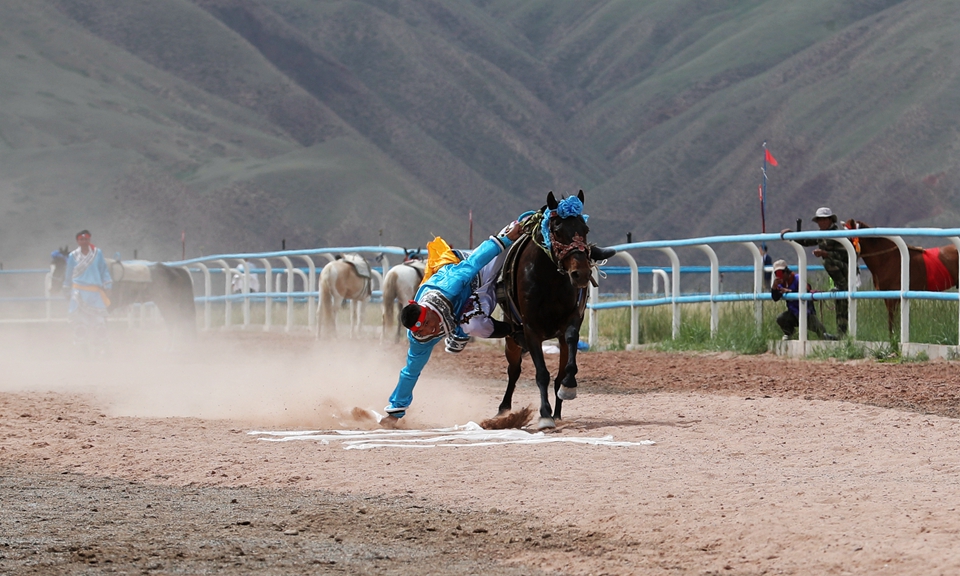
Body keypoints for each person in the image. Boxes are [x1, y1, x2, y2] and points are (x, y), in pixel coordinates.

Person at [382, 221, 525, 426]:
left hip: (474, 275)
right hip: (460, 309)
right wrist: (395, 413)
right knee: (464, 335)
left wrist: (506, 239)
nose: (430, 330)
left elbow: (474, 262)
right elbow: (410, 372)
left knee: (512, 235)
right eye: (423, 330)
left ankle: (516, 227)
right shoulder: (420, 340)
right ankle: (512, 330)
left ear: (428, 310)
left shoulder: (450, 286)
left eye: (428, 323)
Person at [780, 207, 849, 336]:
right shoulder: (821, 235)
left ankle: (842, 286)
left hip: (846, 270)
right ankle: (841, 335)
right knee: (840, 303)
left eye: (824, 220)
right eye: (819, 220)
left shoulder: (838, 235)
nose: (821, 223)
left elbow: (847, 255)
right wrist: (792, 234)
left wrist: (826, 254)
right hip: (837, 273)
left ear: (830, 220)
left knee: (828, 264)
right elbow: (806, 241)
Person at [63, 230, 113, 353]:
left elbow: (103, 270)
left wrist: (108, 285)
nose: (84, 242)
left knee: (99, 323)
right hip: (78, 293)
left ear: (89, 240)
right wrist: (66, 288)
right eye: (82, 239)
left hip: (95, 293)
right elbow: (69, 273)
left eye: (86, 239)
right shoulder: (73, 256)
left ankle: (102, 348)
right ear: (77, 241)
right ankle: (82, 349)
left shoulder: (97, 253)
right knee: (80, 324)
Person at [770, 260, 836, 341]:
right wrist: (774, 287)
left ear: (786, 271)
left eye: (781, 272)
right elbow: (775, 298)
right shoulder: (780, 284)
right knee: (781, 319)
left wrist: (790, 291)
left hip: (806, 313)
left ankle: (830, 339)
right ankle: (790, 333)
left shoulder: (798, 278)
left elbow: (806, 290)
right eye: (777, 273)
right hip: (793, 313)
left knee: (821, 331)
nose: (780, 276)